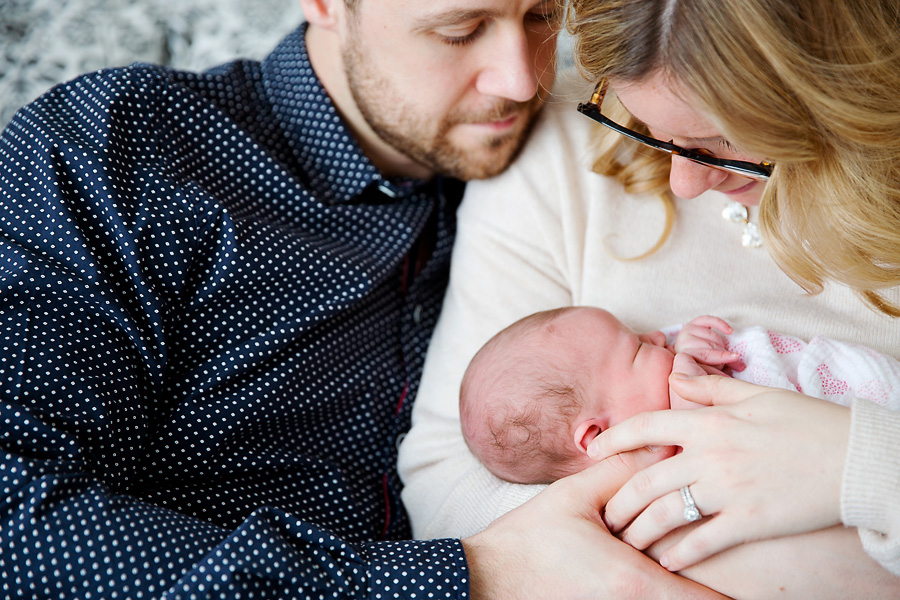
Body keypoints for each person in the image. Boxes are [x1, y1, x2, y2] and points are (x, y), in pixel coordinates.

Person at [0, 1, 727, 598]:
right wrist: (471, 578)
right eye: (459, 31)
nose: (519, 79)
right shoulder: (117, 149)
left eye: (541, 17)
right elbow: (16, 525)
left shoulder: (549, 162)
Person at [398, 0, 900, 597]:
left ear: (841, 89)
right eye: (648, 130)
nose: (683, 183)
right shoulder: (558, 163)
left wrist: (858, 462)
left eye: (722, 139)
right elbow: (448, 488)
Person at [460, 306, 900, 485]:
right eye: (638, 346)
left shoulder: (658, 380)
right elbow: (704, 445)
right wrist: (690, 376)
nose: (657, 334)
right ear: (598, 436)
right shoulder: (627, 491)